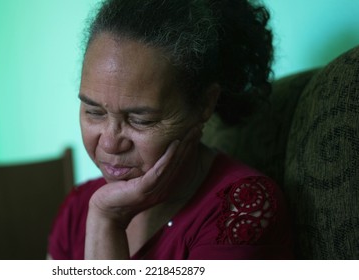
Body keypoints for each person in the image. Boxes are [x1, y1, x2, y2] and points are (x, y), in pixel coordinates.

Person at [48, 0, 293, 259]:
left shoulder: (242, 209)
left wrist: (107, 222)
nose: (109, 143)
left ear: (204, 104)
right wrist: (99, 214)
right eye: (94, 112)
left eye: (140, 120)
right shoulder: (79, 207)